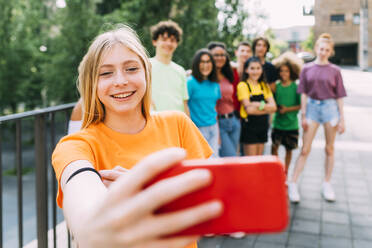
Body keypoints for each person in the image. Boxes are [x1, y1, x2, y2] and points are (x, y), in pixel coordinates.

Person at [51, 25, 223, 248]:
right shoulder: (75, 146)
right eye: (106, 73)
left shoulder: (178, 123)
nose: (120, 80)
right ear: (91, 83)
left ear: (146, 72)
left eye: (131, 69)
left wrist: (145, 191)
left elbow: (213, 196)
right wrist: (91, 229)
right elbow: (80, 194)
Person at [288, 33, 347, 203]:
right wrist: (304, 115)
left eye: (327, 50)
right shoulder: (307, 69)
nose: (323, 52)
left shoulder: (335, 71)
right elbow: (303, 93)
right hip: (312, 108)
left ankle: (327, 183)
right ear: (316, 49)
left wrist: (342, 119)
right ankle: (293, 183)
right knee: (305, 149)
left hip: (330, 109)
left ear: (331, 51)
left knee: (329, 149)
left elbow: (339, 96)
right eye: (321, 49)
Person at [271, 52, 303, 177]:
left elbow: (301, 105)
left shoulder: (296, 87)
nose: (283, 73)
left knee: (289, 150)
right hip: (277, 124)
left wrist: (287, 109)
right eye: (281, 71)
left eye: (287, 71)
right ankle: (275, 171)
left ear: (292, 72)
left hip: (291, 125)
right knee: (274, 148)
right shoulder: (276, 87)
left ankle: (285, 172)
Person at [237, 57, 277, 156]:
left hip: (262, 127)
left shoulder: (264, 85)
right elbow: (249, 110)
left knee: (259, 161)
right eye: (252, 68)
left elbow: (274, 107)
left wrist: (258, 104)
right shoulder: (243, 85)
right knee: (251, 163)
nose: (255, 72)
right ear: (246, 70)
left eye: (258, 68)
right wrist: (266, 108)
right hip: (249, 127)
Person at [207, 42, 241, 157]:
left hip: (234, 121)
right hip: (218, 123)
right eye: (216, 55)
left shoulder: (229, 73)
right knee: (231, 157)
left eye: (222, 55)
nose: (220, 58)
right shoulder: (206, 78)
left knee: (233, 158)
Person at [150, 20, 190, 116]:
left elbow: (184, 103)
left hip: (177, 123)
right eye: (164, 39)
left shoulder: (180, 70)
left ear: (176, 44)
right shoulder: (145, 65)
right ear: (155, 42)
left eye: (172, 40)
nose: (168, 43)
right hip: (154, 122)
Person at [187, 49, 221, 157]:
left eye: (208, 62)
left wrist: (218, 132)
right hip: (197, 129)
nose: (205, 65)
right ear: (197, 64)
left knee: (214, 161)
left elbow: (214, 108)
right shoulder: (190, 82)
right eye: (202, 62)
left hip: (213, 128)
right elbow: (185, 106)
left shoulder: (215, 84)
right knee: (201, 162)